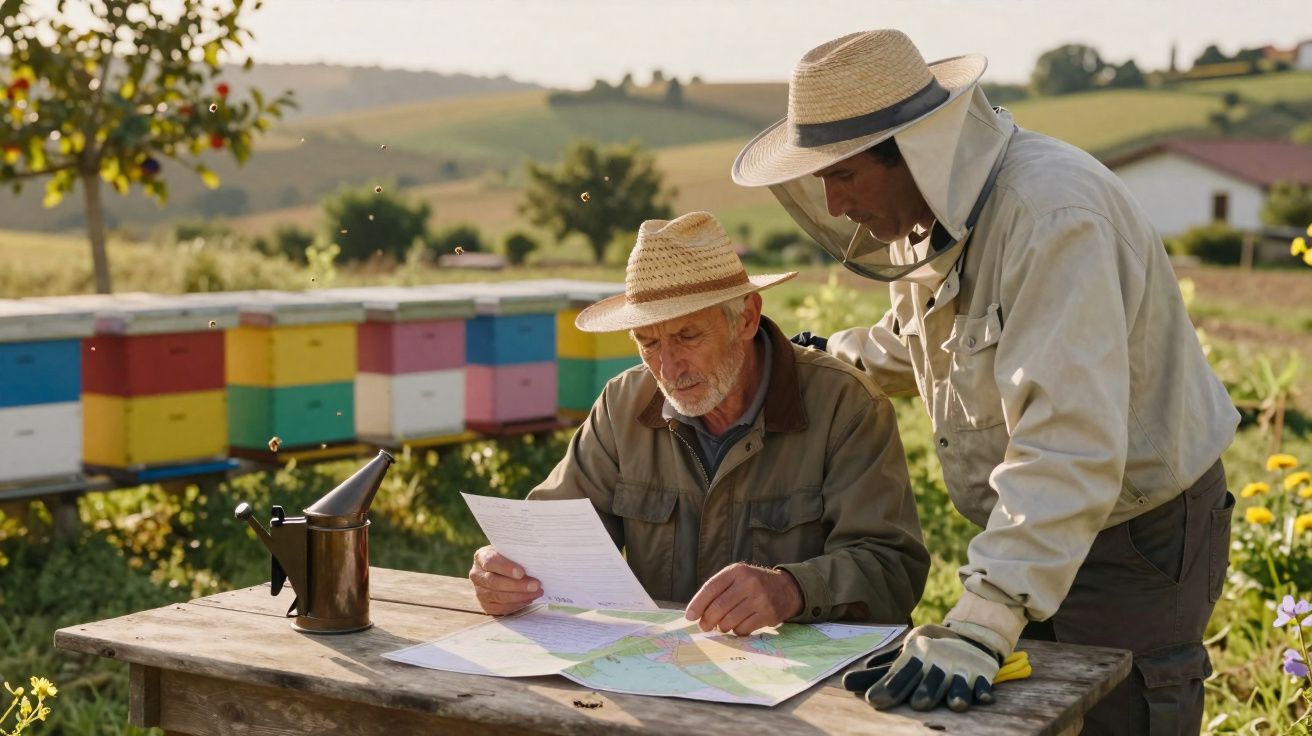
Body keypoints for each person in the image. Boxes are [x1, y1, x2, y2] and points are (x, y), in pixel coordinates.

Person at [731, 29, 1238, 734]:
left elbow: (1071, 442)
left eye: (843, 174)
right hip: (1038, 528)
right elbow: (923, 346)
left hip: (1131, 538)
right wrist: (820, 358)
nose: (835, 202)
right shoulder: (930, 219)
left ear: (913, 149)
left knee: (1124, 714)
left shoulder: (1051, 218)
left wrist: (985, 618)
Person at [469, 211, 929, 634]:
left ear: (746, 318)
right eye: (647, 342)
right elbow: (552, 540)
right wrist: (508, 573)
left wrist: (791, 589)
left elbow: (893, 570)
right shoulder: (622, 404)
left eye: (687, 336)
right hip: (664, 679)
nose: (667, 368)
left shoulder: (846, 406)